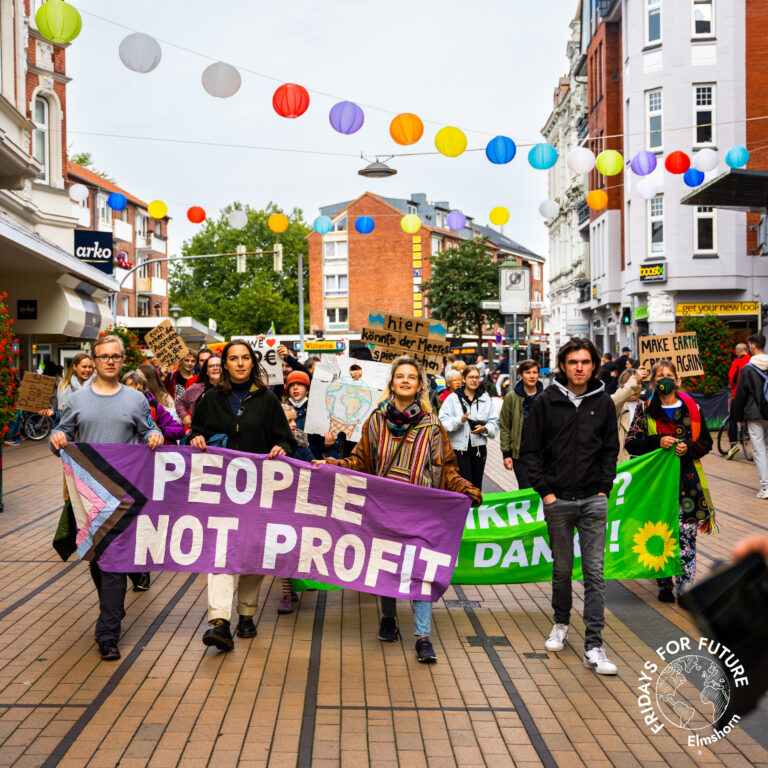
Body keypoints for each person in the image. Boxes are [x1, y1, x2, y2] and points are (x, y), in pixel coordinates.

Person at [318, 355, 482, 664]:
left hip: (422, 511)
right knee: (387, 565)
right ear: (392, 383)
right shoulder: (376, 421)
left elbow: (447, 469)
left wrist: (466, 488)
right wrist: (332, 465)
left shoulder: (433, 425)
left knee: (421, 570)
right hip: (384, 509)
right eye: (400, 376)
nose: (405, 381)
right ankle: (388, 618)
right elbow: (360, 463)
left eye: (411, 377)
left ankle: (422, 637)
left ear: (420, 385)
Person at [49, 335, 163, 661]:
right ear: (94, 362)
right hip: (88, 497)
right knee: (97, 562)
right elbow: (63, 436)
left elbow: (148, 430)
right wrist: (57, 439)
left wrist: (153, 435)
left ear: (122, 360)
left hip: (124, 496)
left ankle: (108, 633)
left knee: (113, 563)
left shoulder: (136, 400)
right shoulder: (78, 401)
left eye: (115, 356)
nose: (110, 361)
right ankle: (110, 611)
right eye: (103, 357)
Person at [187, 339, 296, 651]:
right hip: (220, 490)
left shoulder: (267, 400)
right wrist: (195, 438)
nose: (238, 363)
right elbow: (196, 431)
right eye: (232, 358)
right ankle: (219, 621)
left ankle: (246, 613)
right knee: (220, 551)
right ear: (224, 364)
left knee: (252, 552)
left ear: (253, 363)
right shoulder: (209, 398)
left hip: (259, 490)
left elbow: (287, 440)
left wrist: (281, 448)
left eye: (244, 358)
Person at [520, 337, 619, 675]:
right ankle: (561, 622)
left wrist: (604, 490)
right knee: (562, 571)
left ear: (594, 365)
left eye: (586, 362)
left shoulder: (603, 402)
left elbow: (610, 450)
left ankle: (594, 645)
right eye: (573, 362)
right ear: (562, 365)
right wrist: (546, 492)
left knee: (594, 573)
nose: (579, 368)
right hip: (558, 500)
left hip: (593, 500)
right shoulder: (547, 402)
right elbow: (528, 451)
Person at [625, 359, 714, 602]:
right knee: (661, 534)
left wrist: (690, 449)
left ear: (678, 380)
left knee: (686, 536)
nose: (665, 379)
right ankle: (664, 584)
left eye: (669, 375)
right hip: (657, 486)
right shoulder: (645, 410)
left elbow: (707, 442)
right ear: (653, 381)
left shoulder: (692, 408)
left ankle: (686, 587)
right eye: (660, 375)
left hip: (688, 484)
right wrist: (657, 442)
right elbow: (631, 442)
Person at [439, 365, 499, 488]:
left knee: (476, 486)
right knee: (462, 486)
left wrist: (485, 429)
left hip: (478, 449)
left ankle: (475, 508)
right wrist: (459, 420)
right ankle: (464, 508)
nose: (474, 380)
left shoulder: (485, 398)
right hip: (458, 450)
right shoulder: (452, 399)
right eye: (471, 377)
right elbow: (442, 422)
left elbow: (494, 422)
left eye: (477, 377)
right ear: (464, 379)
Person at [733, 333, 768, 497]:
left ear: (753, 346)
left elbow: (741, 394)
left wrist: (738, 417)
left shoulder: (748, 368)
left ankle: (766, 486)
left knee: (759, 449)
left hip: (754, 413)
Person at [499, 359, 543, 489]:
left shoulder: (546, 396)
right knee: (525, 489)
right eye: (528, 372)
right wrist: (506, 454)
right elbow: (505, 426)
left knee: (543, 491)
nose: (532, 376)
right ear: (521, 375)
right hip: (520, 454)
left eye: (535, 372)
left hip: (542, 454)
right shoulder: (511, 397)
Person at [123, 370, 184, 444]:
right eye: (131, 390)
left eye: (139, 390)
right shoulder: (117, 406)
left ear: (144, 391)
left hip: (149, 452)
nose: (135, 394)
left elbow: (179, 430)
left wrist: (159, 429)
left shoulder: (154, 407)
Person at [611, 366, 647, 464]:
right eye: (629, 384)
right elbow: (614, 400)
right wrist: (635, 380)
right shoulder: (614, 406)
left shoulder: (647, 406)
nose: (634, 388)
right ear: (621, 386)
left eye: (638, 383)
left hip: (642, 464)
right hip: (621, 465)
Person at [175, 356, 222, 429]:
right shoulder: (196, 388)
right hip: (199, 435)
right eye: (211, 366)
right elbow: (179, 402)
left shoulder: (233, 388)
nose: (215, 368)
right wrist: (184, 416)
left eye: (219, 365)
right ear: (206, 371)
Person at [726, 343, 752, 459]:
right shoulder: (752, 360)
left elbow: (732, 380)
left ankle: (733, 444)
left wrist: (732, 395)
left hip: (738, 396)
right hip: (752, 397)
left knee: (732, 419)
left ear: (738, 351)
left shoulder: (737, 362)